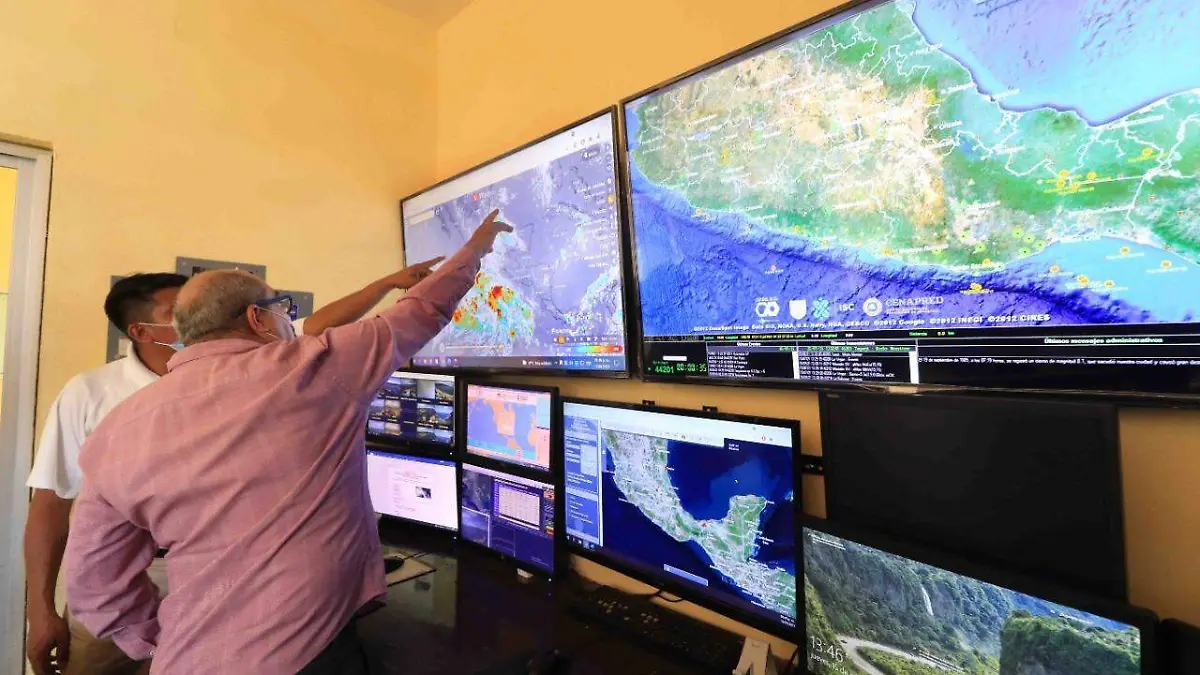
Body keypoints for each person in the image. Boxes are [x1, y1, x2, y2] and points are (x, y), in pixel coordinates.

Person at [63, 211, 510, 674]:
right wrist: (476, 246)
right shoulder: (314, 368)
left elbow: (94, 584)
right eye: (282, 309)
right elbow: (423, 308)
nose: (290, 321)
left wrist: (164, 642)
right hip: (305, 657)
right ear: (257, 317)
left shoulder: (118, 427)